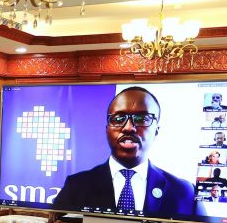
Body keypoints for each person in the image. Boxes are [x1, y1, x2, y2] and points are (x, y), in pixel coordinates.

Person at [53, 86, 196, 215]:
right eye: (118, 119)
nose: (128, 128)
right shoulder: (76, 186)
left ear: (156, 131)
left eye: (141, 118)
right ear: (107, 129)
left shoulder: (183, 192)